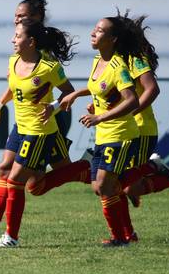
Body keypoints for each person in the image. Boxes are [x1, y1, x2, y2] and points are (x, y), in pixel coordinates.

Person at [0, 0, 90, 243]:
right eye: (15, 16)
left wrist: (53, 107)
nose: (16, 20)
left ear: (36, 17)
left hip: (48, 118)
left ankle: (96, 171)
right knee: (12, 171)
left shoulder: (45, 56)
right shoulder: (19, 53)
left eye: (21, 16)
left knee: (34, 184)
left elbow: (64, 90)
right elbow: (16, 83)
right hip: (26, 120)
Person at [60, 13, 147, 247]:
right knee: (101, 187)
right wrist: (77, 94)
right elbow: (99, 88)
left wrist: (100, 116)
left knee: (104, 185)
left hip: (120, 134)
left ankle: (120, 238)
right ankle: (125, 235)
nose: (93, 32)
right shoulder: (97, 61)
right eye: (95, 28)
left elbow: (132, 100)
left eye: (99, 30)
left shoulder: (119, 66)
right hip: (104, 134)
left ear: (113, 39)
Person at [117, 15, 169, 211]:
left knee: (126, 186)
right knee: (114, 181)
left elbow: (152, 89)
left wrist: (131, 111)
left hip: (141, 129)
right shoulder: (115, 60)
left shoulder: (135, 59)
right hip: (121, 127)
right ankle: (123, 234)